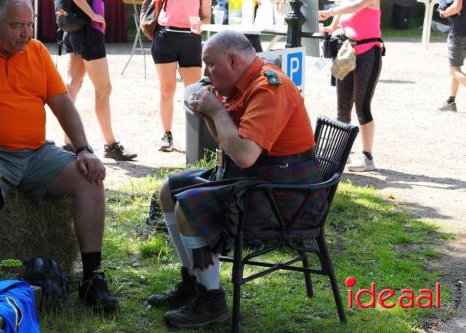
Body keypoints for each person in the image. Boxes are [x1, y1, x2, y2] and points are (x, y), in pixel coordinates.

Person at [147, 30, 327, 328]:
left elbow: (243, 155)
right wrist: (208, 115)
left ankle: (211, 300)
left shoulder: (269, 87)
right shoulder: (243, 85)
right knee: (170, 190)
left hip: (285, 197)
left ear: (233, 60)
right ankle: (193, 282)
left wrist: (216, 110)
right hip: (257, 180)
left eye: (210, 64)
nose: (205, 72)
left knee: (187, 207)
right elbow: (229, 145)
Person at [0, 0, 117, 312]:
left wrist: (84, 149)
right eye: (17, 26)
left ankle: (92, 278)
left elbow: (62, 104)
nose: (26, 33)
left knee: (90, 177)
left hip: (36, 151)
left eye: (30, 25)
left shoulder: (36, 52)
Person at [62, 0, 137, 161]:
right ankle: (111, 145)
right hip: (88, 28)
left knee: (73, 84)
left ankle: (68, 144)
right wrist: (93, 14)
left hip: (73, 26)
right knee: (104, 88)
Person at [318, 0, 382, 172]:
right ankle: (341, 154)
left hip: (369, 52)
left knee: (362, 106)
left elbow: (355, 7)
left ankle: (367, 158)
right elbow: (340, 16)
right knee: (343, 107)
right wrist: (331, 27)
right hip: (346, 52)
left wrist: (330, 11)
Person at [152, 0, 211, 151]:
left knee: (194, 93)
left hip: (190, 39)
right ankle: (167, 135)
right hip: (165, 36)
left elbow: (206, 17)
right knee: (166, 89)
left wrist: (200, 24)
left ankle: (195, 139)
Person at [437, 0, 466, 112]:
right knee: (457, 68)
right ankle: (451, 100)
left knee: (454, 70)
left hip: (459, 32)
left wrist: (443, 13)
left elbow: (457, 6)